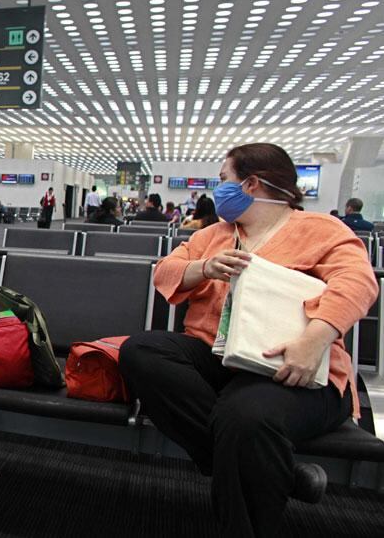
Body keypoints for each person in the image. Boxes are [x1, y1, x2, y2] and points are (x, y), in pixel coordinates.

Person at [118, 143, 378, 537]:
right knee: (142, 351)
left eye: (224, 180)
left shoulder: (321, 230)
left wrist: (316, 337)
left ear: (252, 184)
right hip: (221, 359)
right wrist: (203, 268)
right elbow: (166, 272)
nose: (218, 188)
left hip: (293, 367)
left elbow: (357, 283)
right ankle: (281, 472)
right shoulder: (215, 235)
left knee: (245, 417)